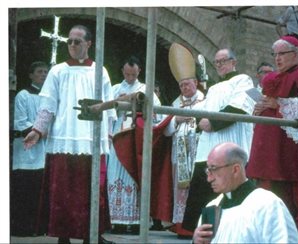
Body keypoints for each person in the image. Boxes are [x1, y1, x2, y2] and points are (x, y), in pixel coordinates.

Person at [23, 25, 116, 244]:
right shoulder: (58, 70)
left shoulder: (100, 70)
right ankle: (62, 237)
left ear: (89, 44)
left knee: (93, 190)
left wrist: (109, 134)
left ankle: (91, 236)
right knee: (63, 191)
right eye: (70, 42)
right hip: (64, 136)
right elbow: (48, 104)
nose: (72, 45)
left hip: (92, 138)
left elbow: (109, 106)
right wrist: (37, 130)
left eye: (77, 41)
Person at [246, 36, 298, 243]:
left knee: (294, 205)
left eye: (281, 54)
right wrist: (260, 108)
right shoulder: (271, 79)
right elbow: (265, 106)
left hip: (288, 155)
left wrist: (277, 105)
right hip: (268, 153)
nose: (277, 59)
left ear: (295, 54)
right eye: (274, 54)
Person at [182, 48, 255, 234]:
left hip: (230, 142)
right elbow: (200, 109)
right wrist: (202, 121)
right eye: (217, 62)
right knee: (204, 192)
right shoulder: (214, 87)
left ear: (234, 62)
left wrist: (212, 123)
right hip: (207, 147)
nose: (220, 65)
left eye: (224, 60)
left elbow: (239, 107)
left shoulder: (243, 80)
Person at [193, 142, 298, 243]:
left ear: (235, 169)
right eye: (208, 170)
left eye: (214, 169)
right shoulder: (212, 207)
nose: (209, 178)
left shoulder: (267, 204)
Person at [106, 56, 161, 235]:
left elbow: (156, 113)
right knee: (115, 176)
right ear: (122, 72)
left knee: (135, 176)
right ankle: (117, 221)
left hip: (136, 139)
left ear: (139, 72)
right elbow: (106, 110)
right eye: (127, 73)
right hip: (117, 137)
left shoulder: (145, 89)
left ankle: (137, 221)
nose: (130, 77)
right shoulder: (114, 89)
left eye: (133, 74)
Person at [164, 43, 205, 238]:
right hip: (178, 154)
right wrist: (175, 120)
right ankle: (179, 224)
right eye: (181, 85)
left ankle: (192, 225)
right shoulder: (175, 103)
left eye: (187, 84)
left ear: (195, 83)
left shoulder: (205, 99)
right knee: (178, 189)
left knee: (195, 189)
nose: (184, 88)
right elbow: (166, 131)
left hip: (197, 152)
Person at [10, 61, 49, 236]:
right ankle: (22, 229)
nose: (43, 75)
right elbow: (20, 122)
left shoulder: (49, 97)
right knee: (25, 192)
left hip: (43, 152)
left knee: (39, 192)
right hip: (26, 152)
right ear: (31, 75)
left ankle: (39, 228)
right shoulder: (23, 95)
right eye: (39, 72)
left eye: (46, 72)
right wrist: (40, 132)